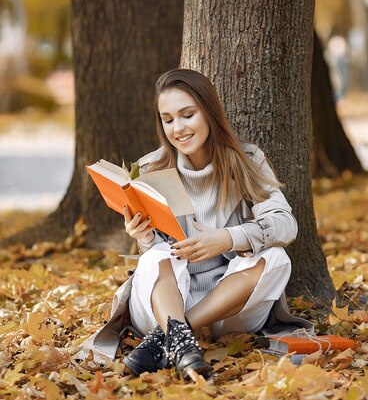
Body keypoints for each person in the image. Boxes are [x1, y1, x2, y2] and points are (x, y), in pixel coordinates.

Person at [119, 68, 301, 381]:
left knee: (275, 258)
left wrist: (228, 239)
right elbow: (157, 263)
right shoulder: (150, 167)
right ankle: (177, 335)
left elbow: (286, 224)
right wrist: (144, 236)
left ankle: (173, 338)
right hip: (165, 304)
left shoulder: (246, 159)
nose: (178, 128)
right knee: (153, 257)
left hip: (228, 308)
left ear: (209, 112)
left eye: (187, 115)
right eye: (168, 119)